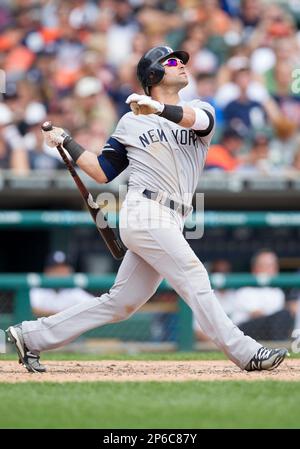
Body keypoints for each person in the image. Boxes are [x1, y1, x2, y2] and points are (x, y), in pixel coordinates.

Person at [7, 45, 288, 373]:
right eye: (172, 61)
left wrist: (157, 108)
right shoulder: (129, 122)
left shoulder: (197, 109)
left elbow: (201, 121)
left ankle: (32, 336)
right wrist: (67, 141)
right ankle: (244, 351)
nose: (182, 64)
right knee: (195, 275)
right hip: (145, 210)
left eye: (182, 60)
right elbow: (102, 171)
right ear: (153, 74)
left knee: (121, 302)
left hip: (173, 216)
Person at [231, 249, 294, 340]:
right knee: (283, 315)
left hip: (270, 332)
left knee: (284, 315)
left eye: (273, 265)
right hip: (243, 334)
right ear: (255, 268)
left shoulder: (277, 292)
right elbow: (257, 315)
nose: (272, 269)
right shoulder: (244, 291)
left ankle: (278, 348)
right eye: (267, 265)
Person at [30, 251, 94, 317]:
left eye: (63, 269)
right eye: (55, 269)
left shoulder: (74, 291)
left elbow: (93, 307)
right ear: (47, 271)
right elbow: (29, 308)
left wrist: (52, 314)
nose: (60, 273)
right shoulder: (39, 290)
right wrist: (63, 314)